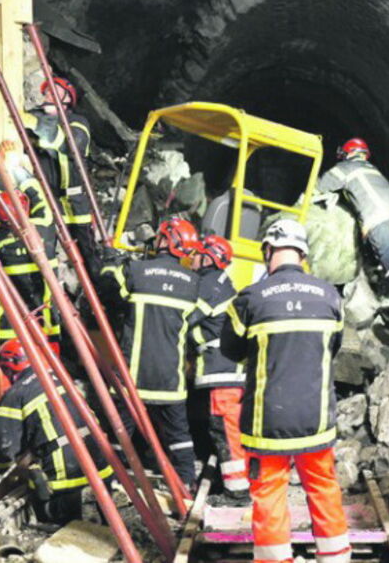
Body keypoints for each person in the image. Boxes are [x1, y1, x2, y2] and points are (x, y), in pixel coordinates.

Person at [221, 219, 350, 563]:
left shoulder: (249, 299)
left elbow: (231, 351)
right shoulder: (330, 296)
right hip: (316, 418)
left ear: (267, 251)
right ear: (304, 253)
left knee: (269, 493)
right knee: (323, 487)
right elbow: (333, 347)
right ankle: (336, 557)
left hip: (268, 422)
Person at [98, 217, 201, 489]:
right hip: (170, 380)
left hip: (133, 376)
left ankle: (112, 480)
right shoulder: (193, 283)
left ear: (165, 241)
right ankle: (185, 482)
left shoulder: (138, 270)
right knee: (179, 434)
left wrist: (110, 262)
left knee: (120, 431)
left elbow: (108, 292)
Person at [0, 339, 114, 524]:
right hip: (100, 467)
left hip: (64, 478)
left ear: (9, 368)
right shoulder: (60, 378)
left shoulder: (16, 394)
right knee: (104, 534)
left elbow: (3, 445)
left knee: (63, 534)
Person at [187, 234, 249, 498]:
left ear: (207, 257)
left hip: (222, 372)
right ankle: (232, 484)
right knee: (222, 428)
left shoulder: (210, 283)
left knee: (225, 430)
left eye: (196, 254)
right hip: (225, 370)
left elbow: (184, 319)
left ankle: (237, 492)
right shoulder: (221, 282)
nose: (190, 260)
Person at [315, 138, 389, 306]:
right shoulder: (372, 169)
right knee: (372, 251)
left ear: (350, 152)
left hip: (376, 214)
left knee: (386, 252)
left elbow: (322, 187)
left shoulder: (345, 168)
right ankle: (380, 284)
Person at [24, 76, 98, 264]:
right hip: (47, 200)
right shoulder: (34, 117)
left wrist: (34, 125)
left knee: (87, 257)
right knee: (44, 251)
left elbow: (71, 144)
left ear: (68, 98)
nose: (49, 94)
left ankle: (98, 288)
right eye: (47, 91)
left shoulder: (77, 122)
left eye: (55, 91)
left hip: (76, 201)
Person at [0, 175, 60, 349]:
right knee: (50, 368)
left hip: (10, 327)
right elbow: (39, 197)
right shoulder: (43, 229)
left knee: (13, 369)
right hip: (46, 322)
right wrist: (13, 172)